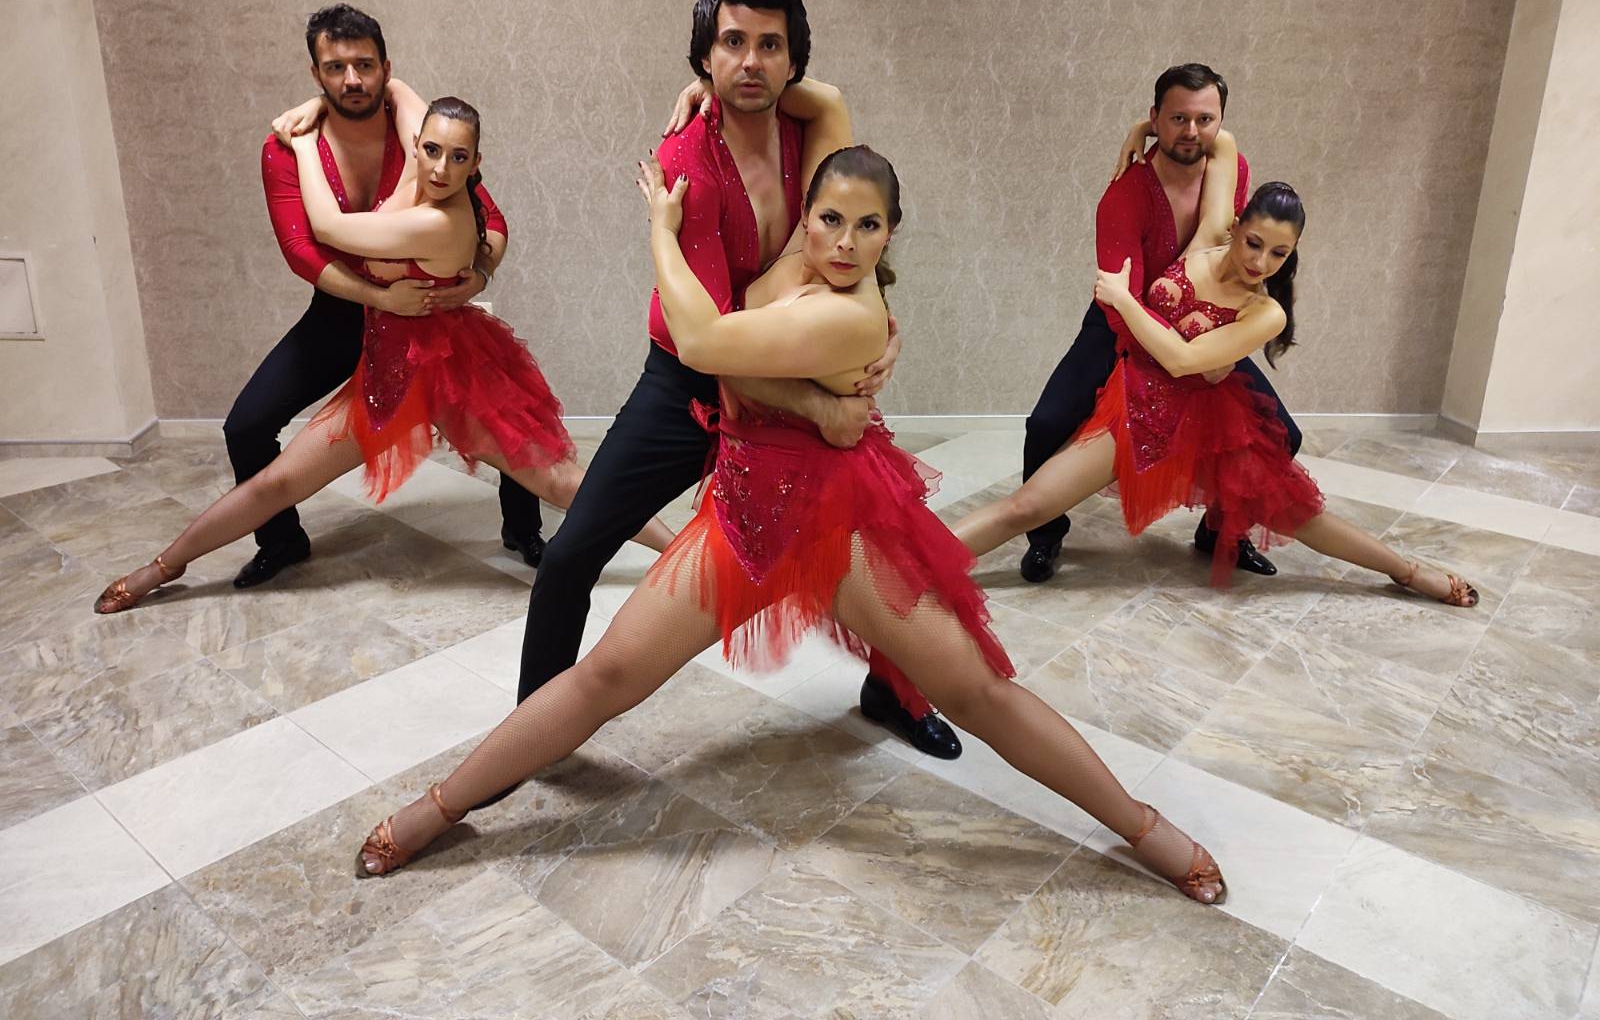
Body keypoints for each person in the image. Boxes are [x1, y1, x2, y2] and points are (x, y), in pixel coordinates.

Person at [353, 144, 1229, 907]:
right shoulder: (789, 272)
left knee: (975, 692)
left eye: (869, 227)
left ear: (892, 236)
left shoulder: (853, 313)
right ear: (807, 217)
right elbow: (730, 368)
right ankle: (441, 807)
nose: (845, 242)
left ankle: (1141, 825)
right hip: (740, 515)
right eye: (831, 219)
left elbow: (703, 344)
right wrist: (809, 401)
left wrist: (660, 228)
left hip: (837, 528)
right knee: (608, 674)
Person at [507, 0, 961, 761]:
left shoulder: (810, 130)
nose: (750, 62)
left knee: (889, 546)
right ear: (704, 55)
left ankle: (894, 692)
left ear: (793, 61)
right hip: (689, 380)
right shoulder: (687, 160)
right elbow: (710, 339)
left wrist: (878, 335)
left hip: (785, 358)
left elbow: (848, 236)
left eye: (769, 45)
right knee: (572, 553)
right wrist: (823, 408)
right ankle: (532, 734)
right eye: (731, 43)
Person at [93, 97, 673, 614]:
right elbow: (393, 90)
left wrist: (301, 140)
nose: (441, 168)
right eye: (432, 150)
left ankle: (678, 552)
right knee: (277, 484)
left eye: (458, 158)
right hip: (387, 375)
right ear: (417, 144)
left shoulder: (438, 221)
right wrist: (316, 105)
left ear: (476, 164)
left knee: (559, 481)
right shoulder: (417, 177)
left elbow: (327, 227)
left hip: (448, 375)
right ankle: (163, 568)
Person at [950, 131, 1480, 608]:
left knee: (1303, 517)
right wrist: (1144, 129)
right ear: (1237, 224)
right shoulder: (1209, 236)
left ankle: (1409, 573)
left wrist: (1123, 299)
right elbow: (1221, 140)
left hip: (1207, 425)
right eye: (1254, 243)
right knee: (1026, 506)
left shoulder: (1265, 312)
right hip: (1134, 403)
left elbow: (1181, 359)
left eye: (1279, 254)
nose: (1259, 263)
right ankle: (915, 563)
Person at [226, 4, 546, 593]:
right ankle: (281, 540)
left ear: (385, 67)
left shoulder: (418, 134)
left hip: (423, 313)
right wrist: (378, 296)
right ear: (316, 74)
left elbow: (490, 217)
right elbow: (301, 251)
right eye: (336, 67)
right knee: (245, 427)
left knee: (507, 414)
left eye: (365, 65)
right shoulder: (286, 148)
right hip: (343, 311)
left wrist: (479, 274)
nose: (352, 79)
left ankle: (523, 529)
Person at [1018, 64, 1298, 584]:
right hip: (1121, 323)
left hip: (1199, 330)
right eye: (1176, 119)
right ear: (1155, 118)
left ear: (1219, 123)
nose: (1191, 131)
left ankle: (1221, 532)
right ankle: (1044, 533)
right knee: (1047, 424)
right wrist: (1174, 361)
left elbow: (1235, 259)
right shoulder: (1124, 193)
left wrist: (1205, 352)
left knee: (1283, 434)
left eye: (1204, 119)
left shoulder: (1231, 168)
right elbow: (1119, 296)